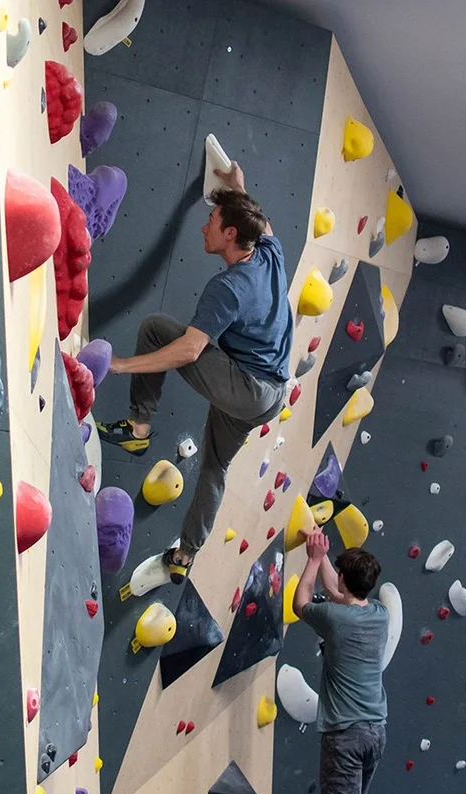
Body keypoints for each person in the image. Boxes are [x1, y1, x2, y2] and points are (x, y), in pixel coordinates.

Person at [97, 163, 291, 583]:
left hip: (248, 388)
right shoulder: (269, 253)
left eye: (212, 221)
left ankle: (138, 427)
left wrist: (120, 365)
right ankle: (184, 555)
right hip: (271, 393)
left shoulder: (229, 288)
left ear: (231, 236)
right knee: (213, 469)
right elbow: (265, 225)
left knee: (156, 330)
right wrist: (238, 188)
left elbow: (188, 350)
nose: (205, 227)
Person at [292, 527, 388, 794]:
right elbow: (339, 592)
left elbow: (302, 604)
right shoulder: (376, 614)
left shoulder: (334, 619)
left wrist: (314, 560)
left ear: (346, 579)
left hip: (345, 734)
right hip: (374, 731)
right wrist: (323, 551)